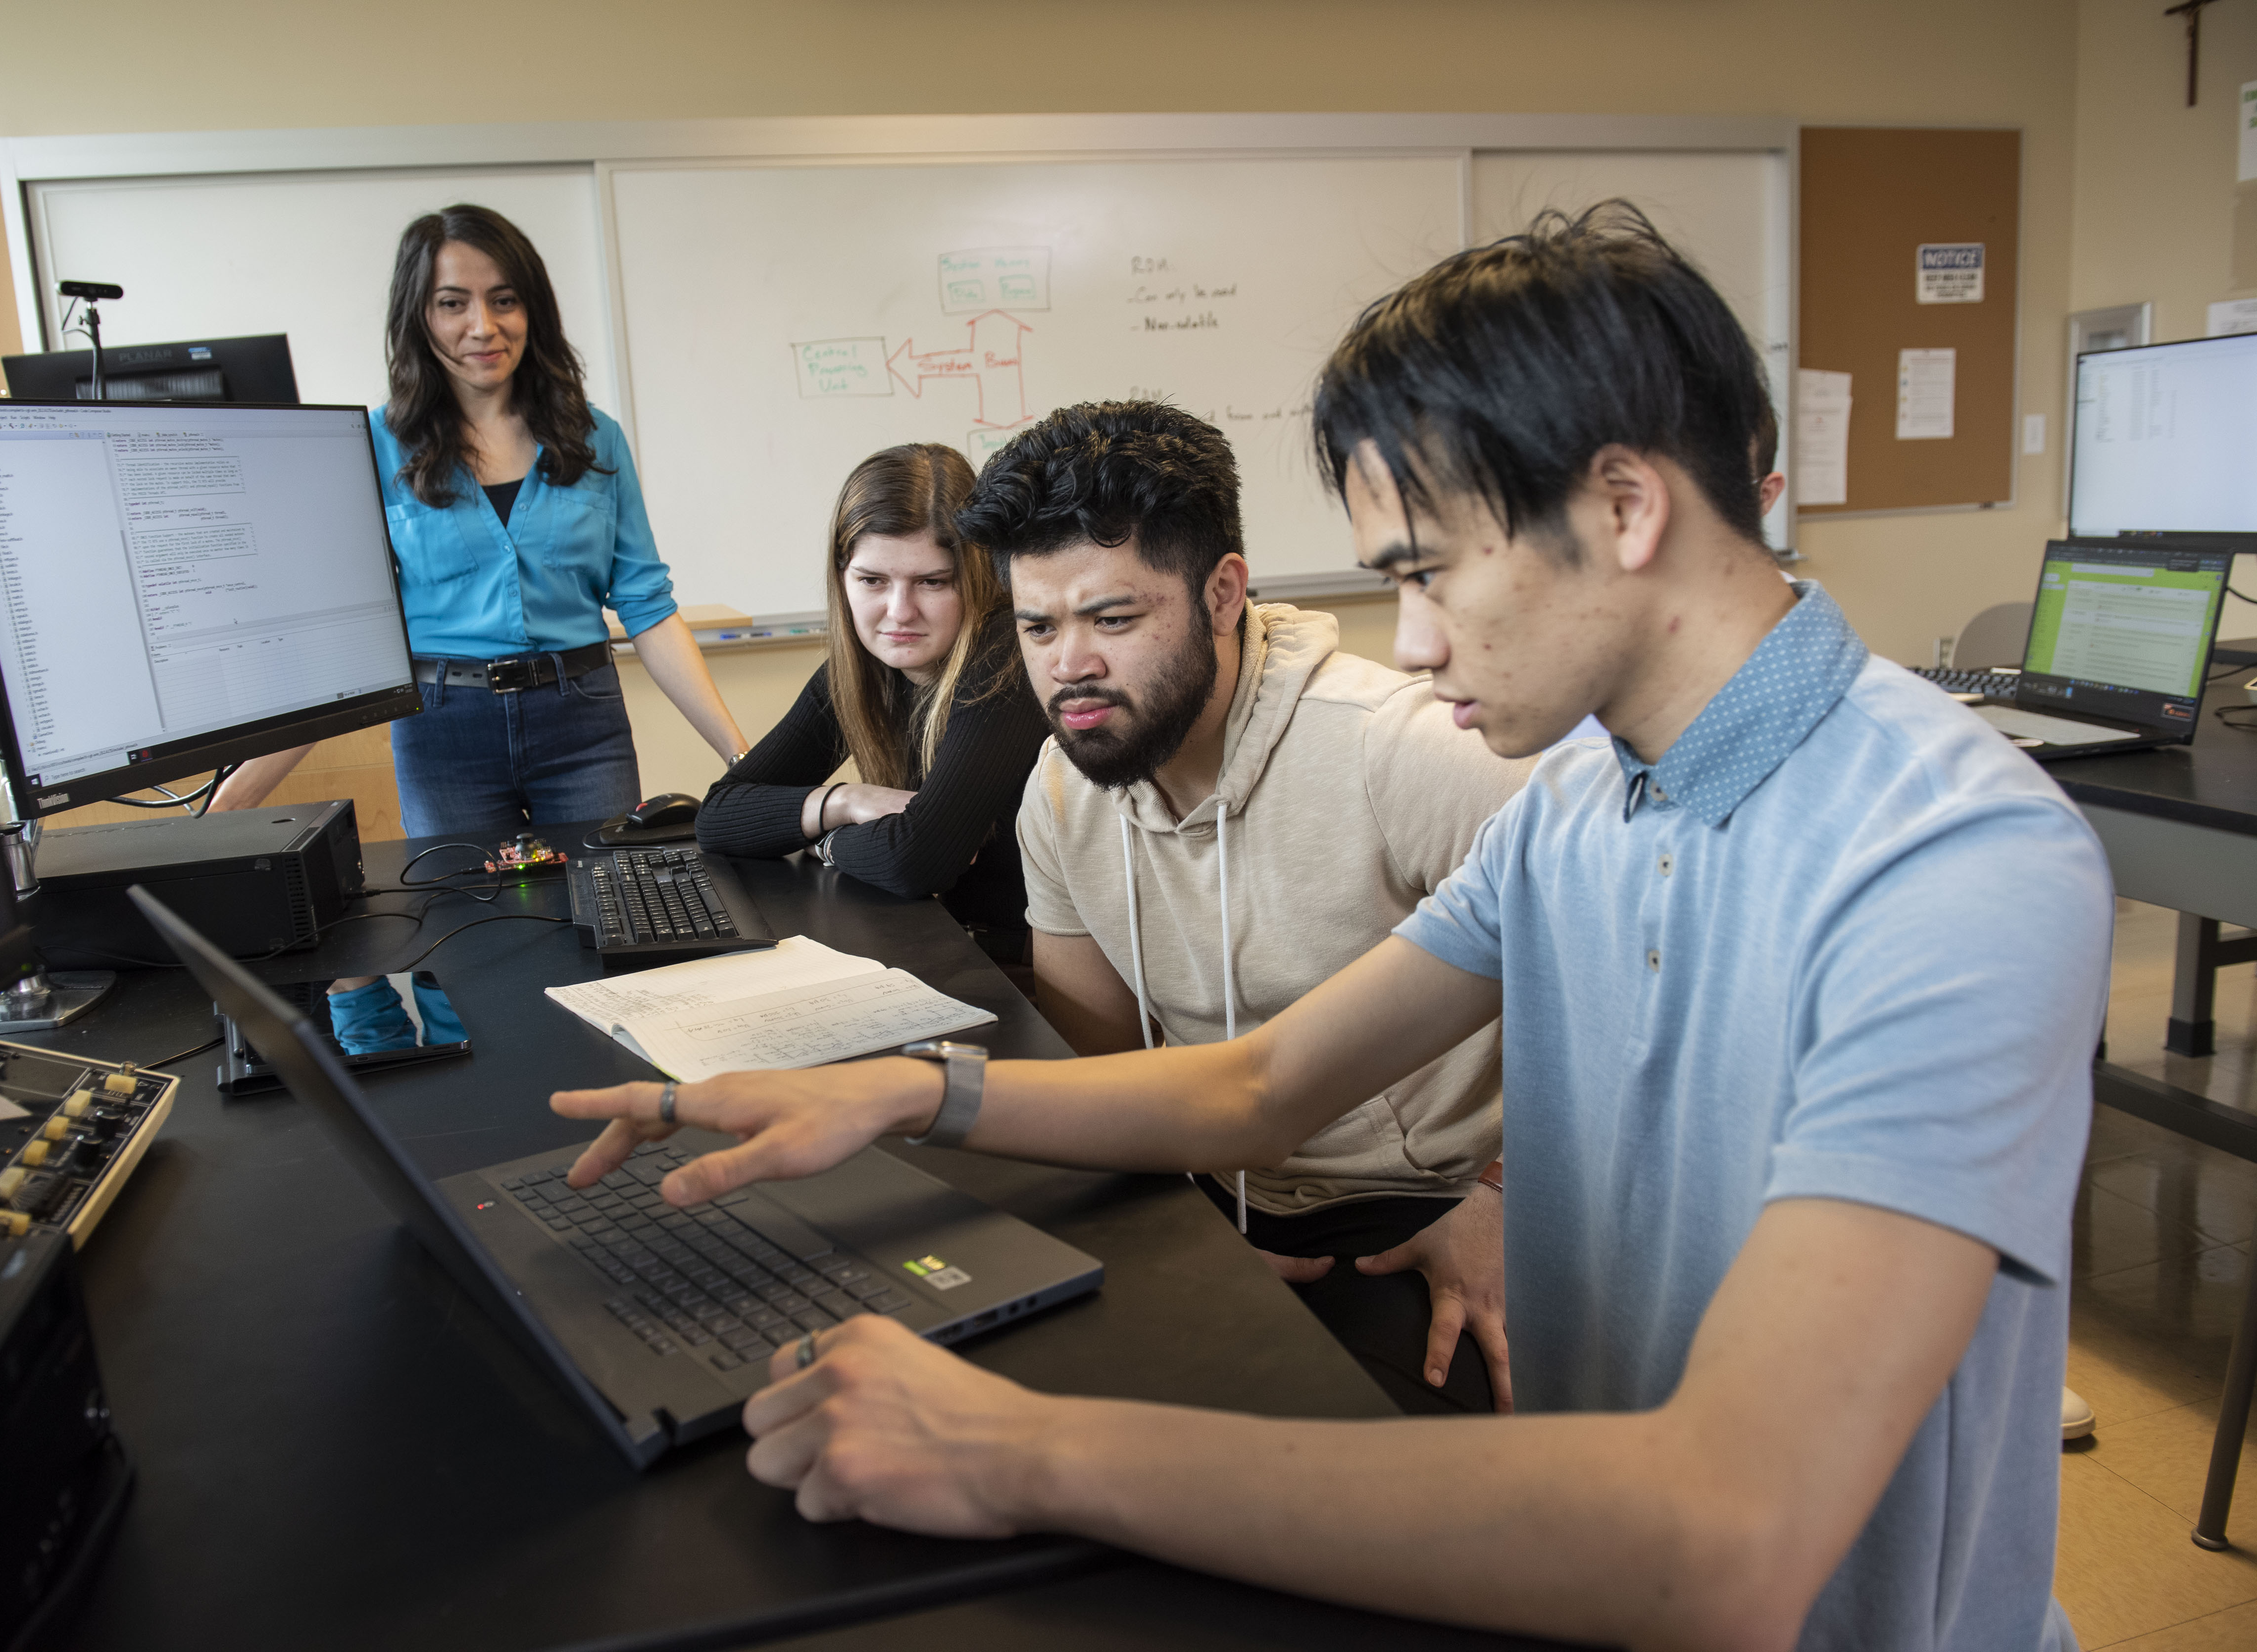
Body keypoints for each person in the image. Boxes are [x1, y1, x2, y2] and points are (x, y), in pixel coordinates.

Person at [548, 204, 2108, 1650]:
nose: (1413, 638)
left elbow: (1728, 1535)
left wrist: (1017, 1446)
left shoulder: (1948, 858)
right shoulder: (1581, 802)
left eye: (1426, 572)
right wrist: (897, 1087)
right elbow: (1262, 1081)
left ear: (1624, 504)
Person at [959, 401, 1529, 1414]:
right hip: (1213, 1193)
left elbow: (1631, 978)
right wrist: (1183, 1240)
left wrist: (1504, 1194)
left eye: (1112, 619)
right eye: (1038, 625)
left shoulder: (1397, 747)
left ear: (1222, 593)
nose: (1067, 667)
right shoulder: (1059, 786)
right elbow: (1100, 1066)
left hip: (1420, 1210)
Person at [213, 204, 746, 837]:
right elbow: (347, 641)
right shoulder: (373, 447)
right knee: (465, 922)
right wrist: (239, 792)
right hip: (442, 728)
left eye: (504, 300)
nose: (482, 326)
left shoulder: (595, 439)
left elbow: (648, 607)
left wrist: (742, 759)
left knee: (608, 915)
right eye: (452, 303)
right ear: (418, 316)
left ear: (532, 311)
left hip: (581, 720)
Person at [695, 444, 1046, 959]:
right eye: (872, 581)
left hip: (1025, 970)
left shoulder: (1005, 662)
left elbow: (916, 859)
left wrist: (823, 841)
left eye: (932, 582)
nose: (898, 612)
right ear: (842, 579)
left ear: (974, 577)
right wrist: (844, 802)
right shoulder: (863, 669)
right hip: (939, 941)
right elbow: (719, 816)